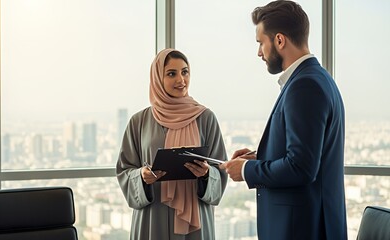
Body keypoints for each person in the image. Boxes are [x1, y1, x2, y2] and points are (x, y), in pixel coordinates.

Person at [220, 1, 347, 239]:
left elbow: (301, 167)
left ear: (279, 40)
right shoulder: (317, 79)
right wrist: (263, 157)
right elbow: (308, 155)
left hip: (301, 229)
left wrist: (248, 170)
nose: (259, 52)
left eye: (260, 43)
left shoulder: (304, 86)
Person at [116, 48, 228, 240]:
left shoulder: (205, 118)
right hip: (153, 217)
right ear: (157, 78)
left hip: (195, 221)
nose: (181, 80)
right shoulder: (139, 121)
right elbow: (125, 170)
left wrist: (207, 174)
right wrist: (141, 177)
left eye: (185, 72)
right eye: (171, 73)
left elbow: (221, 169)